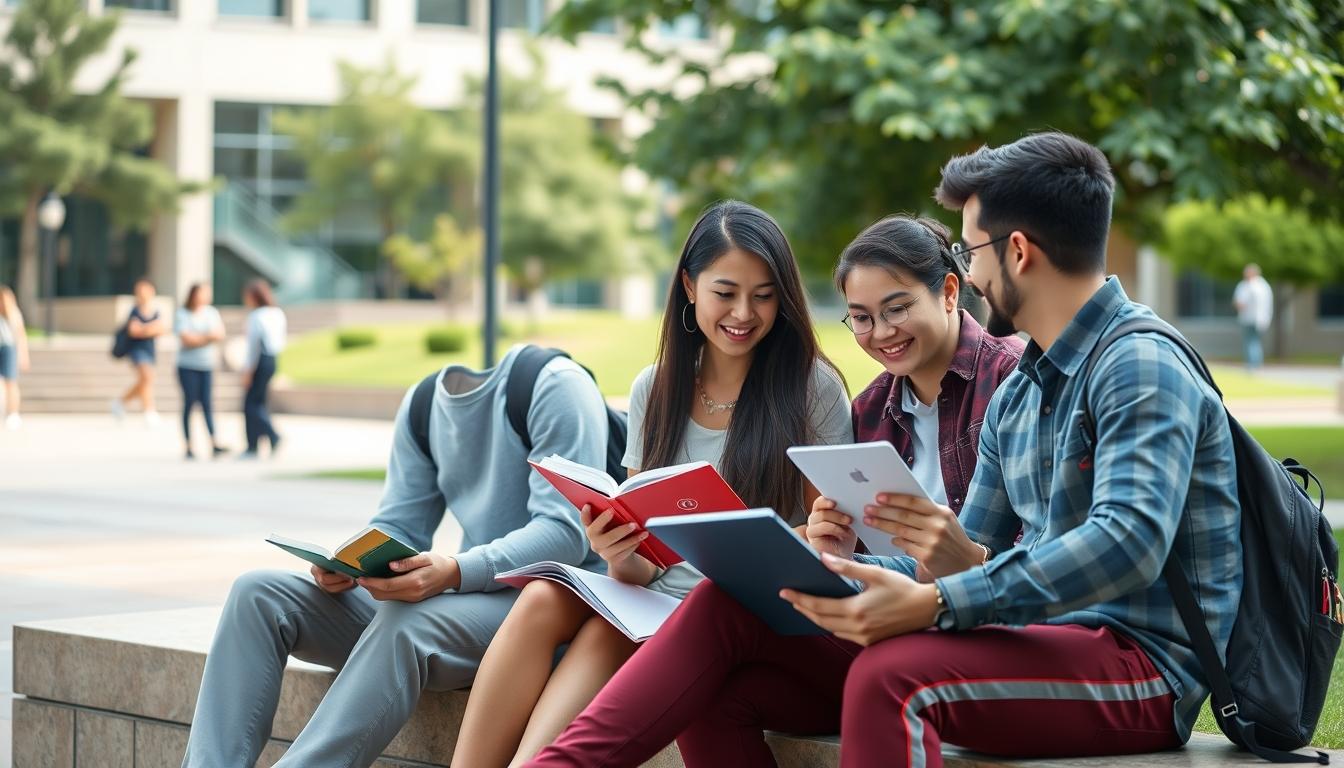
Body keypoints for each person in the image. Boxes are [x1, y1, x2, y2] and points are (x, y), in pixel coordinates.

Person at [525, 132, 1240, 768]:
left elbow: (1130, 541)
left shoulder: (1138, 362)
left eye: (970, 250)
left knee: (893, 678)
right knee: (724, 621)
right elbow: (966, 547)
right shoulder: (1025, 389)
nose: (968, 266)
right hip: (1025, 635)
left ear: (1016, 251)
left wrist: (933, 601)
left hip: (1138, 665)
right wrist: (833, 569)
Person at [519, 212, 1024, 767]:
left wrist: (908, 565)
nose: (881, 333)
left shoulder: (1012, 385)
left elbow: (1031, 557)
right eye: (860, 317)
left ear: (949, 292)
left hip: (963, 641)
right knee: (712, 696)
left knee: (721, 598)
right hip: (876, 631)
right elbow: (869, 559)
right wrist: (832, 551)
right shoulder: (874, 409)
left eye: (897, 309)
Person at [451, 200, 854, 768]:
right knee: (545, 595)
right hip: (656, 600)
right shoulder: (655, 389)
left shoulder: (812, 389)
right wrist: (615, 551)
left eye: (764, 295)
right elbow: (642, 567)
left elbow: (829, 545)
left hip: (747, 617)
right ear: (689, 287)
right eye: (725, 292)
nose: (744, 312)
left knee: (606, 635)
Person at [182, 343, 612, 767]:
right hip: (471, 599)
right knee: (257, 593)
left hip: (548, 606)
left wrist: (454, 571)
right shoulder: (424, 404)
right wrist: (353, 562)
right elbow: (400, 523)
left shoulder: (558, 386)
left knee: (407, 621)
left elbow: (564, 533)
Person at [175, 282, 228, 460]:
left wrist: (199, 339)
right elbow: (186, 340)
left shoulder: (211, 313)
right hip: (187, 366)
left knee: (207, 403)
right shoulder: (183, 314)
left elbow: (220, 335)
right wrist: (208, 337)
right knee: (190, 402)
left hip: (206, 365)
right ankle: (189, 445)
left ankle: (213, 442)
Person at [240, 279, 285, 458]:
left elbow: (254, 346)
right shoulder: (277, 313)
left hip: (259, 360)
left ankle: (270, 437)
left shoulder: (256, 316)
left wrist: (248, 370)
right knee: (259, 402)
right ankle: (255, 444)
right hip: (272, 359)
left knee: (251, 404)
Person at [112, 277, 167, 425]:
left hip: (150, 350)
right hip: (136, 350)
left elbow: (162, 329)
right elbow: (134, 331)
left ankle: (121, 401)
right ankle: (149, 410)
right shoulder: (135, 310)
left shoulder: (155, 311)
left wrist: (145, 329)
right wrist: (151, 329)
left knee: (145, 380)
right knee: (147, 377)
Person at [0, 285, 31, 430]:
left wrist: (24, 355)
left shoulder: (13, 313)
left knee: (11, 383)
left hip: (9, 348)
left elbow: (21, 335)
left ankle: (13, 413)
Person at [1232, 263, 1272, 371]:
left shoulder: (1249, 286)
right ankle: (1256, 364)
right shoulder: (1263, 285)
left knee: (1251, 342)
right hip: (1257, 319)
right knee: (1254, 342)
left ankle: (1252, 365)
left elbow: (1240, 303)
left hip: (1252, 319)